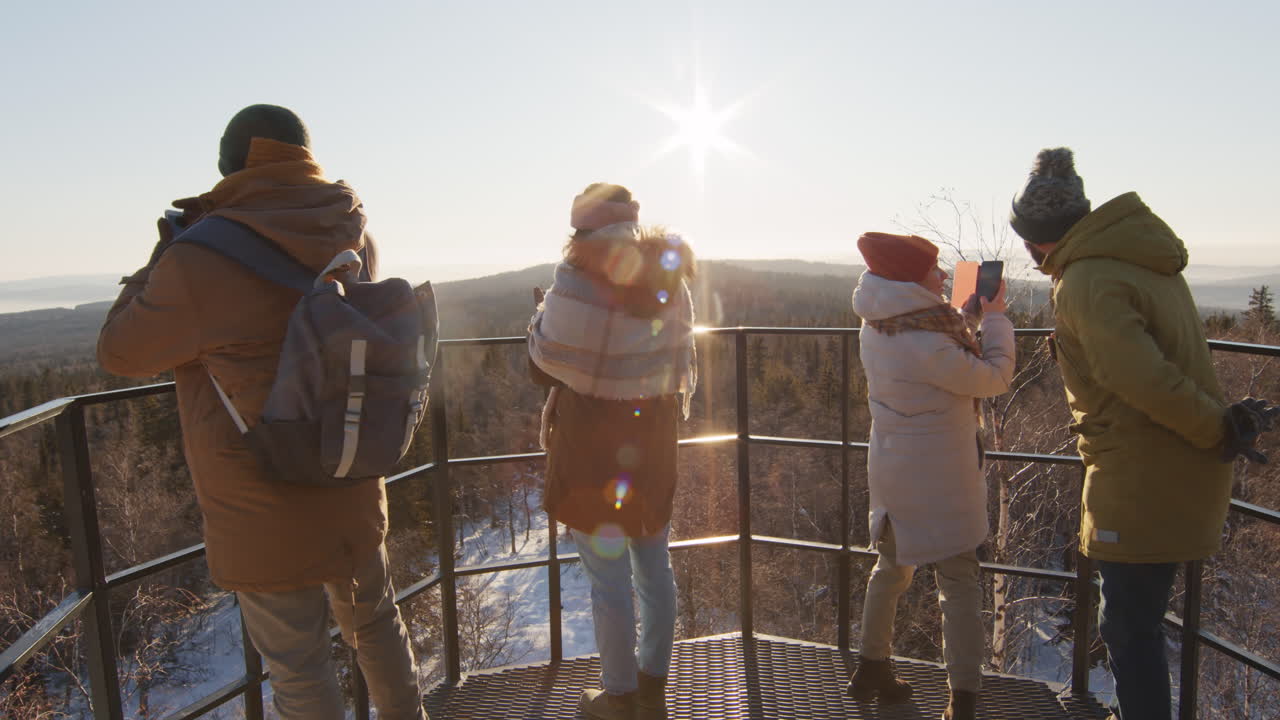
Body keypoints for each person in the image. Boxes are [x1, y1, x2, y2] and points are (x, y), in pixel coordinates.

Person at [97, 105, 426, 720]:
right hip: (350, 466)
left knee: (300, 669)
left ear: (229, 165)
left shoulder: (199, 258)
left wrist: (164, 254)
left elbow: (119, 350)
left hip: (260, 495)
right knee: (378, 626)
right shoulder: (352, 233)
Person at [1008, 147, 1280, 720]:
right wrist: (1216, 428)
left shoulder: (1084, 280)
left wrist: (1217, 429)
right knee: (1135, 620)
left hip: (1142, 477)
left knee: (1128, 627)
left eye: (1028, 242)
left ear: (1042, 236)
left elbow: (1142, 377)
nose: (1029, 258)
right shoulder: (1135, 258)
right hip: (1170, 472)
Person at [527, 183, 697, 720]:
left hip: (593, 441)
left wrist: (538, 321)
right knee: (654, 566)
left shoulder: (575, 277)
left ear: (582, 229)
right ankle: (653, 687)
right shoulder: (671, 272)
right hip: (652, 433)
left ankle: (617, 696)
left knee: (607, 578)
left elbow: (544, 360)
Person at [846, 232, 1016, 720]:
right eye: (933, 269)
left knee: (892, 568)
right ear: (909, 279)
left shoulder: (880, 323)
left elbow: (933, 353)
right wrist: (998, 319)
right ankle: (963, 699)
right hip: (941, 475)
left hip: (895, 469)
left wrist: (967, 319)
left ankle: (871, 667)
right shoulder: (924, 336)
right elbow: (992, 377)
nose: (942, 275)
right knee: (959, 579)